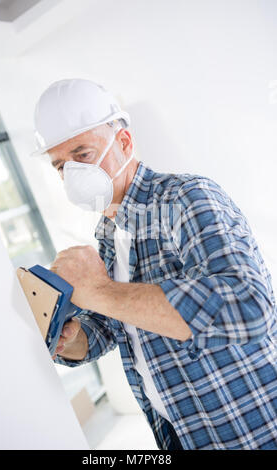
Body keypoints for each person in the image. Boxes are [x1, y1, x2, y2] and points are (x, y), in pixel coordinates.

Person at [33, 79, 277, 450]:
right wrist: (70, 339)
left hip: (246, 431)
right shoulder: (106, 232)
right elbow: (113, 328)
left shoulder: (185, 197)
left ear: (124, 143)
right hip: (177, 434)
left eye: (82, 155)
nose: (72, 175)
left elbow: (249, 307)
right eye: (60, 166)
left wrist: (98, 289)